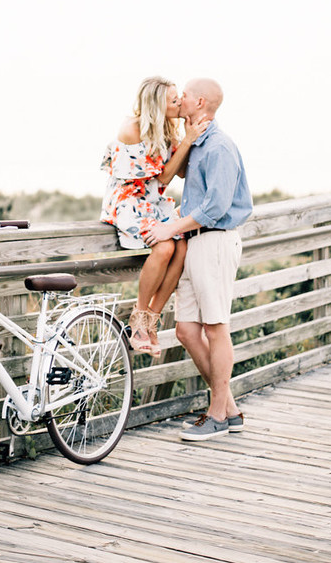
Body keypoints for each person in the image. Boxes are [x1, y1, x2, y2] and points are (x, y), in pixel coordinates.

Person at [143, 78, 253, 441]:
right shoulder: (199, 142)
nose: (180, 99)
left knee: (215, 327)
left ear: (200, 101)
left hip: (215, 242)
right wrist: (185, 137)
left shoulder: (220, 146)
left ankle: (217, 413)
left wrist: (169, 228)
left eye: (185, 95)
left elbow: (216, 207)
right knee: (186, 329)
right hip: (195, 243)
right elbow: (170, 174)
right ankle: (230, 409)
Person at [101, 76, 208, 356]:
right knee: (165, 246)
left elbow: (181, 171)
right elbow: (164, 174)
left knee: (182, 245)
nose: (179, 103)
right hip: (128, 201)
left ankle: (151, 320)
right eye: (174, 100)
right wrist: (188, 140)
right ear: (157, 104)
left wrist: (185, 136)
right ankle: (138, 318)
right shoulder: (132, 130)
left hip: (152, 201)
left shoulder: (168, 128)